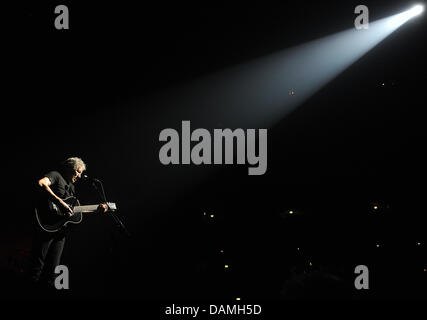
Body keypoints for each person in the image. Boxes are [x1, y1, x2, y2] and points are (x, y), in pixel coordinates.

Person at [26, 157, 107, 289]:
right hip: (46, 225)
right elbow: (41, 183)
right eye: (78, 172)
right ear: (70, 168)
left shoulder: (72, 188)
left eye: (81, 173)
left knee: (54, 269)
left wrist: (96, 210)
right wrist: (59, 202)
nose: (79, 176)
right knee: (37, 265)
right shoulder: (56, 175)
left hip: (61, 231)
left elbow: (73, 212)